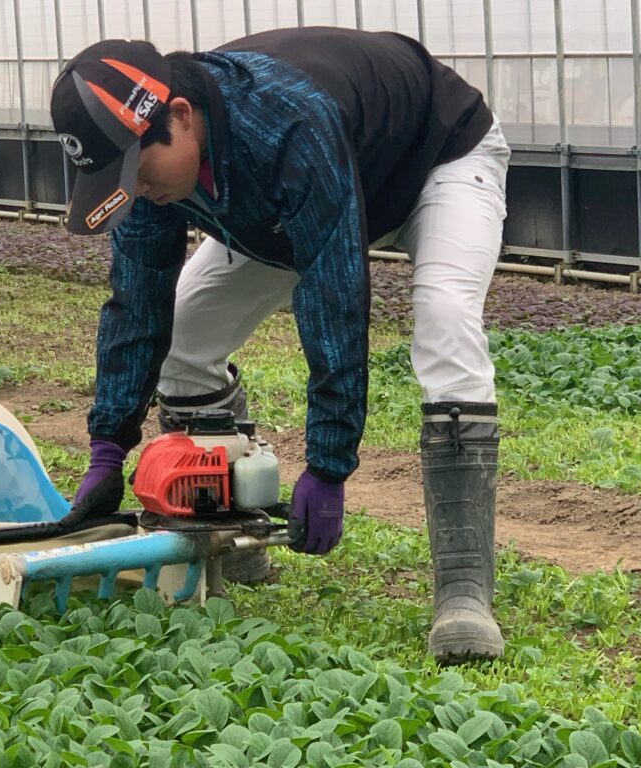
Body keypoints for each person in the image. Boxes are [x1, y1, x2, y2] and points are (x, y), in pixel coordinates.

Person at [49, 26, 509, 663]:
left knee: (444, 316)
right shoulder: (152, 175)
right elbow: (137, 303)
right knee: (183, 331)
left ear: (179, 117)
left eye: (136, 170)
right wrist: (107, 446)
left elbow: (334, 288)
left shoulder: (287, 121)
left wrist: (328, 463)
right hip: (293, 201)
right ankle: (231, 540)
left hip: (436, 160)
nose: (136, 188)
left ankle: (464, 591)